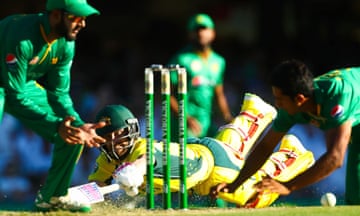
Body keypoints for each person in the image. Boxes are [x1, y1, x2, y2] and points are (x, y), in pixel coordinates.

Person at [88, 93, 315, 208]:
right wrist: (74, 199)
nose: (115, 143)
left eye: (119, 136)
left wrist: (135, 169)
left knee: (254, 197)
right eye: (109, 138)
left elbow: (149, 157)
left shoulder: (142, 148)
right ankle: (253, 113)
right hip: (202, 148)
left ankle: (291, 155)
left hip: (213, 168)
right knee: (230, 148)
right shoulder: (108, 160)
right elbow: (96, 187)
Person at [0, 0, 107, 212]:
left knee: (74, 133)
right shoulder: (22, 38)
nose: (82, 24)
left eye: (84, 19)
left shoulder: (66, 43)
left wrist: (76, 123)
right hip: (11, 85)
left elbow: (59, 93)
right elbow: (14, 95)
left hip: (21, 84)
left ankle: (53, 197)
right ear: (56, 15)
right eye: (76, 18)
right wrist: (56, 124)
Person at [211, 59, 360, 205]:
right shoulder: (291, 107)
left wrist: (288, 186)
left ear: (299, 99)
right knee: (356, 197)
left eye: (280, 100)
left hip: (351, 99)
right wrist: (234, 184)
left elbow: (335, 158)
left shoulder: (337, 97)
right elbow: (265, 148)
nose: (277, 104)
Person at [168, 13, 233, 141]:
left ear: (213, 33)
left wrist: (228, 118)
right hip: (184, 126)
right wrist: (186, 119)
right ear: (190, 34)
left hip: (206, 123)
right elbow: (166, 95)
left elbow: (219, 94)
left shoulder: (218, 61)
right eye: (196, 30)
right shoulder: (181, 59)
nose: (201, 33)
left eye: (204, 29)